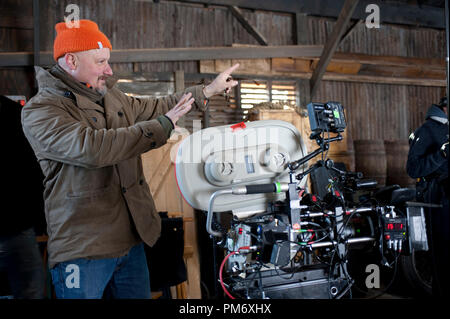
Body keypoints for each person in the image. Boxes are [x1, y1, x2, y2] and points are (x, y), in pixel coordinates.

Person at [21, 19, 239, 299]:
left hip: (131, 239)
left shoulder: (112, 96)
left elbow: (157, 107)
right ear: (71, 61)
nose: (109, 70)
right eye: (101, 61)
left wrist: (206, 91)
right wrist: (162, 126)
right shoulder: (42, 110)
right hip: (84, 248)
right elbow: (92, 147)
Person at [0, 95, 46, 299]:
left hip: (17, 227)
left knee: (31, 289)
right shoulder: (14, 112)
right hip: (17, 226)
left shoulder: (15, 113)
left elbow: (33, 170)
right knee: (31, 289)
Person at [407, 96, 449, 298]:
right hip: (439, 199)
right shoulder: (427, 130)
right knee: (443, 255)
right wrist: (441, 155)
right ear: (445, 108)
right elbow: (413, 169)